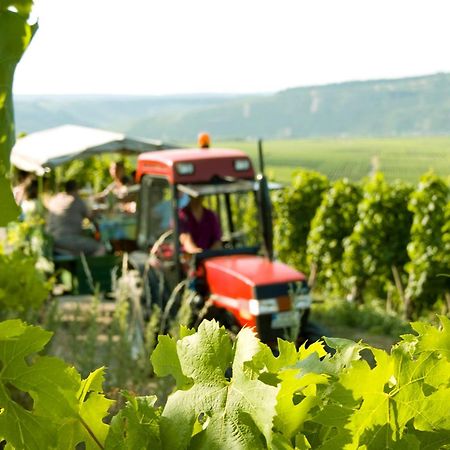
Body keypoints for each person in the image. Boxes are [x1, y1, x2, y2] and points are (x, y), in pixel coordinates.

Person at [47, 180, 105, 256]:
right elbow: (90, 217)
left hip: (51, 240)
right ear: (77, 189)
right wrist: (98, 211)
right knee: (100, 248)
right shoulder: (76, 200)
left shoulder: (55, 199)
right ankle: (89, 267)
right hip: (67, 241)